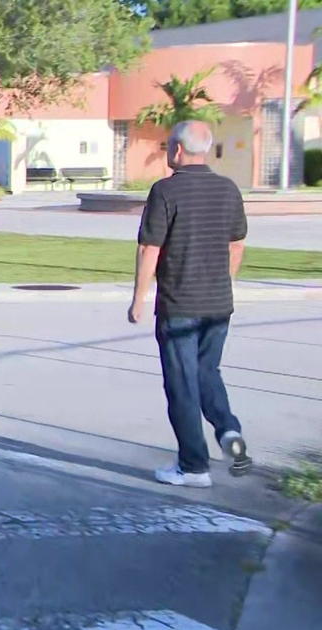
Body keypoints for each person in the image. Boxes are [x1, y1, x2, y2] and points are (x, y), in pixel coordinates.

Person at [129, 120, 252, 488]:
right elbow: (237, 244)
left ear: (178, 151)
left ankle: (193, 466)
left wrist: (138, 299)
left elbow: (150, 247)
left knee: (181, 384)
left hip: (179, 304)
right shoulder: (228, 189)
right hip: (218, 305)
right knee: (207, 372)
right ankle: (228, 429)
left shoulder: (165, 191)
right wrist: (224, 282)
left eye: (169, 146)